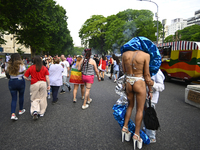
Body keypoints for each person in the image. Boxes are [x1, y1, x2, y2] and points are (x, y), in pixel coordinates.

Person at [121, 50, 154, 149]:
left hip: (128, 81)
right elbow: (147, 75)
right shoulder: (146, 55)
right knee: (139, 109)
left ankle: (125, 128)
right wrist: (150, 90)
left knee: (130, 106)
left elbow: (123, 70)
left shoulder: (125, 54)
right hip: (139, 82)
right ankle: (136, 134)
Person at [24, 55, 50, 120]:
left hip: (34, 83)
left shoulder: (31, 67)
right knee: (43, 97)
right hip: (43, 83)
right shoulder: (44, 68)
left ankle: (35, 110)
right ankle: (42, 112)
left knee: (34, 97)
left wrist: (29, 79)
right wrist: (49, 85)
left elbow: (25, 76)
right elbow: (47, 77)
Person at [144, 69, 165, 143]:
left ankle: (152, 136)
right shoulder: (147, 69)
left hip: (152, 99)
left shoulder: (157, 72)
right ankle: (147, 128)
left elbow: (162, 87)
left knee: (150, 116)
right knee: (145, 114)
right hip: (144, 97)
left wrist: (153, 84)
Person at [6, 54, 26, 120]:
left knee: (13, 98)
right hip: (20, 81)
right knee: (21, 96)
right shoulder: (22, 66)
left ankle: (13, 114)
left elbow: (7, 74)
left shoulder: (8, 66)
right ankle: (20, 110)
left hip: (12, 82)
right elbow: (25, 73)